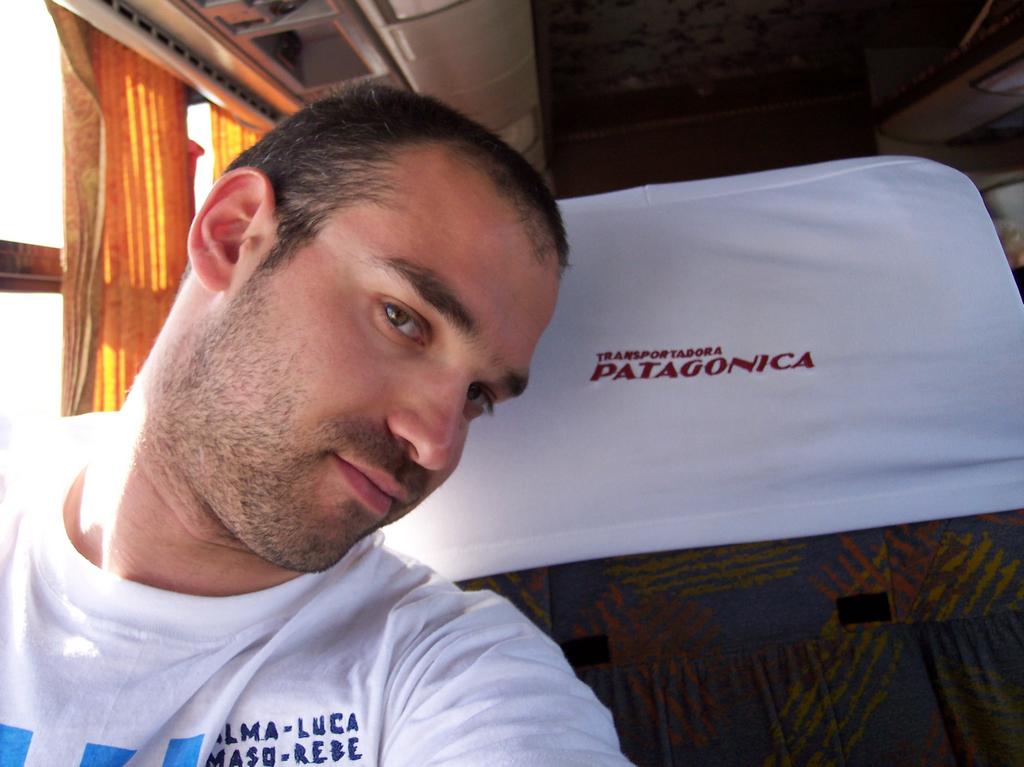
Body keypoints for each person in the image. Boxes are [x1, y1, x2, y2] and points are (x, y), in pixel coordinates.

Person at [0, 85, 632, 766]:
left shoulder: (446, 670)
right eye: (403, 319)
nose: (437, 443)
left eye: (478, 394)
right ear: (234, 236)